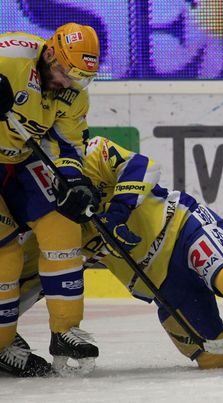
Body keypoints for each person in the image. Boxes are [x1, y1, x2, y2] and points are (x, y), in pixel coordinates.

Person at [15, 136, 223, 371]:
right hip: (159, 283)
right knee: (214, 357)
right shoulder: (40, 217)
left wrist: (118, 211)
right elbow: (28, 282)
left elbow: (144, 167)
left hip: (180, 228)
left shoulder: (89, 153)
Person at [0, 23, 102, 377]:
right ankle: (1, 343)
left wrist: (75, 182)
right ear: (48, 54)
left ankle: (65, 330)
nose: (68, 83)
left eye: (79, 77)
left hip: (21, 159)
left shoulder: (73, 91)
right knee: (5, 255)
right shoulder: (9, 56)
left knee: (63, 222)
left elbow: (68, 145)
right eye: (64, 72)